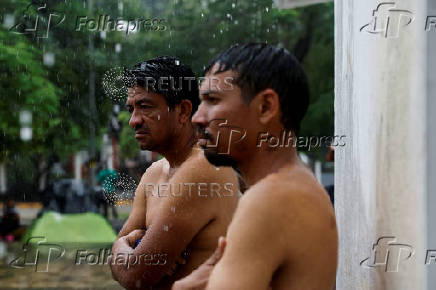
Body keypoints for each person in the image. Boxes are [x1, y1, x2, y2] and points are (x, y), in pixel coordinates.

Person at [174, 43, 338, 289]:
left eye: (212, 100)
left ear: (265, 107)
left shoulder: (271, 198)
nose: (198, 117)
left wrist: (182, 288)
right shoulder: (297, 186)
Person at [110, 56, 240, 289]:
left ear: (182, 111)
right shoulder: (154, 172)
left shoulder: (205, 167)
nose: (133, 121)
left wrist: (127, 245)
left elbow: (134, 275)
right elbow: (119, 264)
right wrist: (126, 245)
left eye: (145, 107)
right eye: (131, 109)